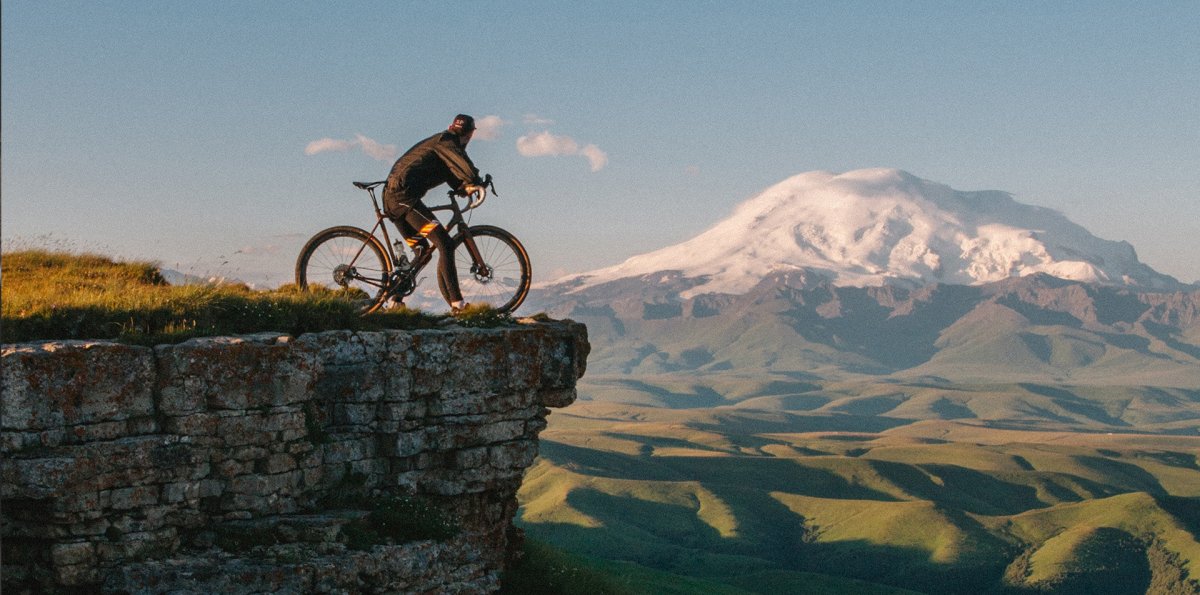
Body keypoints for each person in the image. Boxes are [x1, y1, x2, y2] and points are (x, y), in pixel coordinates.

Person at [383, 114, 485, 314]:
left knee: (422, 252)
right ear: (470, 134)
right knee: (445, 243)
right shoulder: (447, 142)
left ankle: (394, 300)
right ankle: (458, 304)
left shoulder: (441, 146)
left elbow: (451, 173)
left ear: (451, 126)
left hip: (394, 199)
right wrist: (476, 180)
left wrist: (464, 188)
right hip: (404, 198)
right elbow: (463, 164)